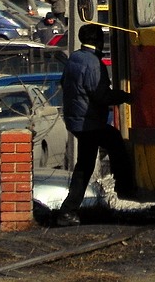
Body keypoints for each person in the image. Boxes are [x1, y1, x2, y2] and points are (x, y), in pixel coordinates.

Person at [56, 23, 135, 226]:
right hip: (88, 121)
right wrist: (124, 97)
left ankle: (68, 211)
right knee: (115, 141)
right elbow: (100, 95)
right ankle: (125, 185)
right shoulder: (93, 63)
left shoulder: (74, 58)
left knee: (85, 165)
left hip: (76, 119)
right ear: (99, 41)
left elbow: (64, 83)